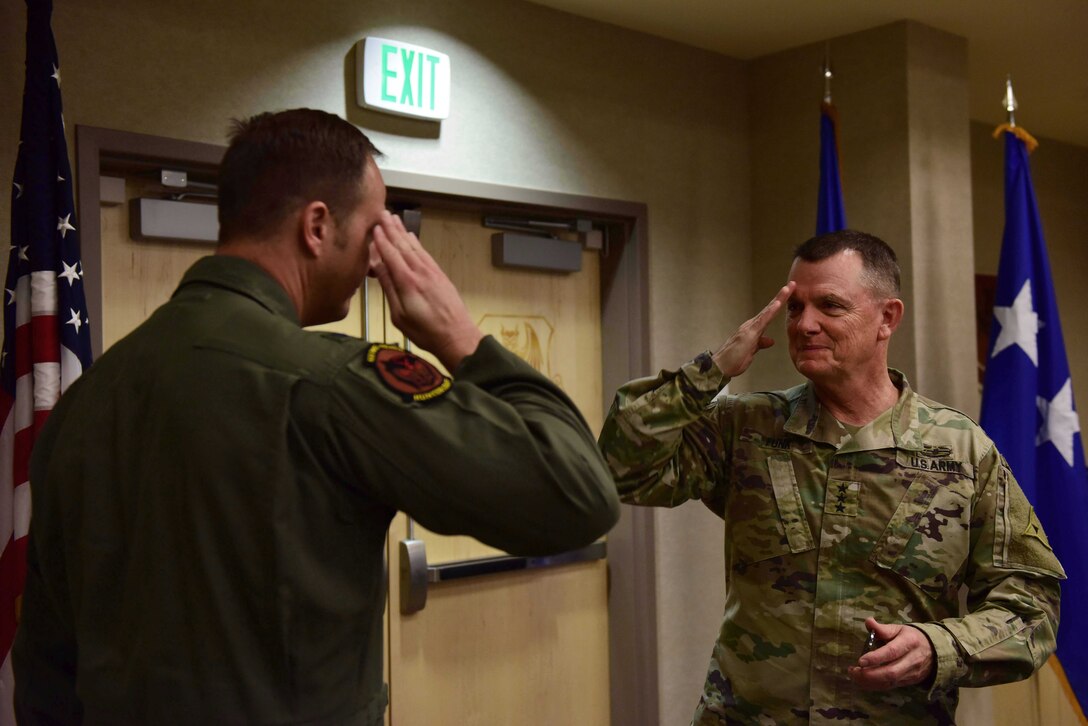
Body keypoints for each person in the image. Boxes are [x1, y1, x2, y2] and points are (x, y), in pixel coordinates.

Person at [13, 108, 620, 724]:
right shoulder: (331, 385)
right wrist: (464, 338)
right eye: (375, 229)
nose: (377, 257)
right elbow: (577, 494)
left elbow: (45, 676)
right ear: (318, 227)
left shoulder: (84, 403)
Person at [598, 230, 1064, 725]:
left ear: (888, 318)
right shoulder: (747, 427)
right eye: (795, 307)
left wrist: (939, 647)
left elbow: (1032, 606)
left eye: (830, 306)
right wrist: (709, 372)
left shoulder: (961, 450)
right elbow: (620, 470)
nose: (805, 325)